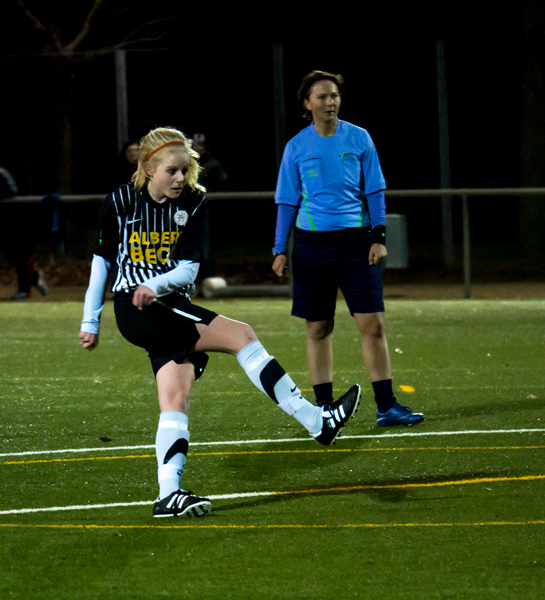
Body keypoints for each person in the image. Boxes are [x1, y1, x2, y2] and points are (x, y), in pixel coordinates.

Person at [79, 127, 360, 518]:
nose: (180, 179)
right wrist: (90, 319)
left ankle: (168, 495)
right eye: (171, 171)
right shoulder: (121, 201)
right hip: (136, 307)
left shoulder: (192, 201)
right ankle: (316, 421)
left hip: (165, 301)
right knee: (240, 333)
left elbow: (189, 267)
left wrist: (156, 283)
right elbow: (101, 263)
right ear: (148, 168)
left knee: (175, 397)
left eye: (185, 170)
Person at [272, 70, 425, 428]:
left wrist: (379, 236)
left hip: (357, 243)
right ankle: (324, 409)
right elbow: (286, 201)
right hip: (311, 245)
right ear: (307, 104)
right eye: (322, 97)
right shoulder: (296, 146)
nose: (330, 102)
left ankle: (386, 406)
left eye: (335, 95)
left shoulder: (360, 138)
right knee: (318, 328)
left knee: (372, 324)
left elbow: (374, 190)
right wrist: (280, 249)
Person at [0, 157, 46, 300]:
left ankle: (25, 289)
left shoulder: (1, 174)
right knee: (12, 255)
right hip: (0, 223)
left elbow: (13, 191)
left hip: (16, 219)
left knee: (21, 254)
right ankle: (35, 278)